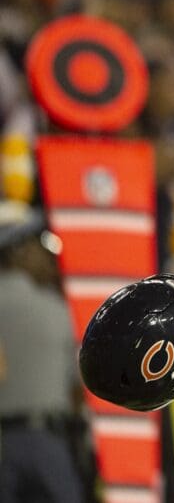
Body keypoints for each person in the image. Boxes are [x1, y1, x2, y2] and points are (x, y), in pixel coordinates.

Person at [0, 202, 86, 503]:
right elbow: (79, 389)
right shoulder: (55, 309)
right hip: (46, 443)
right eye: (37, 244)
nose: (46, 256)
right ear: (17, 250)